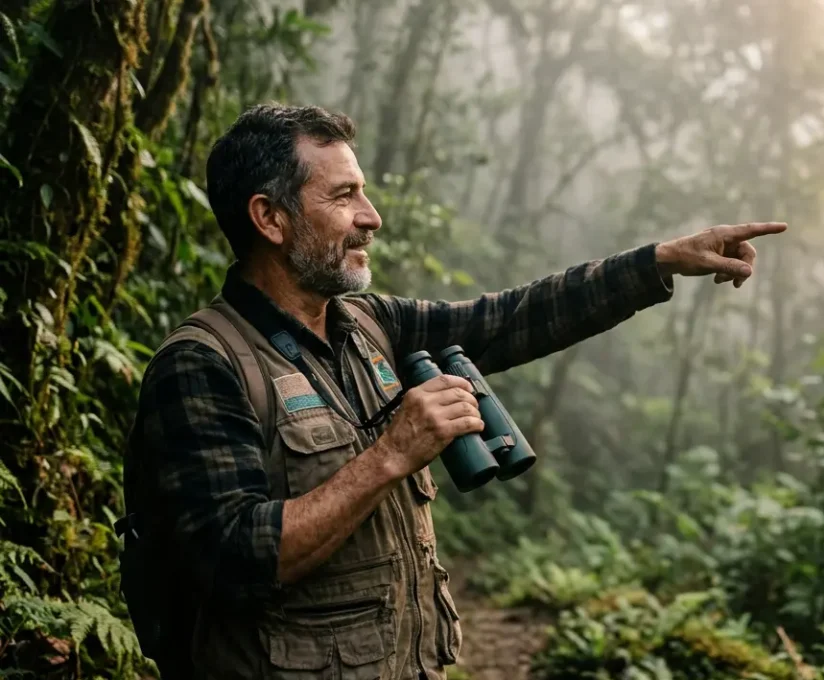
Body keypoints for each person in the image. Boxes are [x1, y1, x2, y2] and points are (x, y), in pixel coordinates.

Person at [117, 103, 786, 679]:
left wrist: (658, 261)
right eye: (343, 196)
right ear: (270, 218)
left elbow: (514, 317)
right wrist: (392, 453)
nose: (371, 217)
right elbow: (235, 556)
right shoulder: (202, 365)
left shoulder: (371, 324)